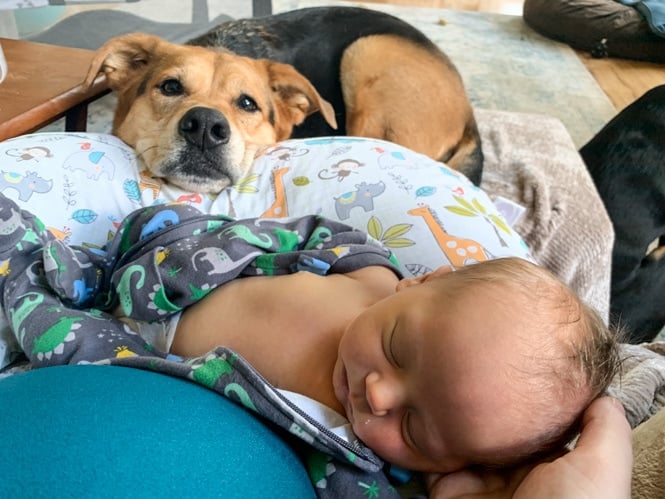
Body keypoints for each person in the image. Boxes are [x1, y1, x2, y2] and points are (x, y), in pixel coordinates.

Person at [0, 194, 625, 496]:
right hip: (145, 280)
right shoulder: (362, 270)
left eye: (416, 428)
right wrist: (182, 241)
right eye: (400, 347)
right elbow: (276, 238)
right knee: (29, 244)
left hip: (121, 357)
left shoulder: (363, 457)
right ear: (425, 279)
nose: (379, 394)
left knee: (35, 315)